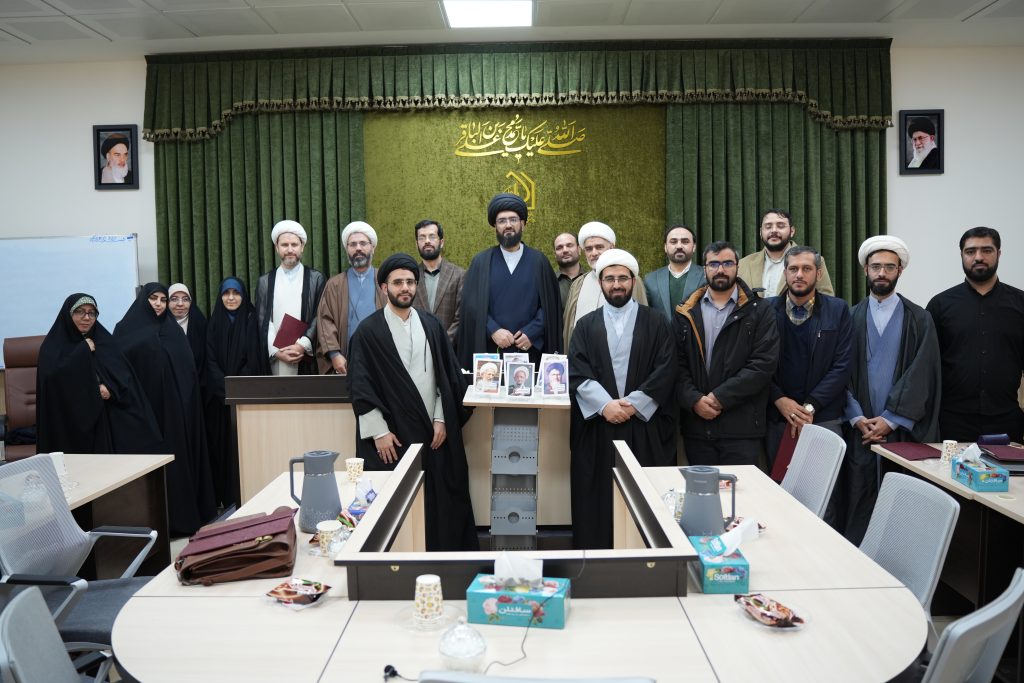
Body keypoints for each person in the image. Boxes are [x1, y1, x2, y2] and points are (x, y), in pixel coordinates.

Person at [348, 253, 479, 551]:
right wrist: (378, 432)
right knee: (394, 504)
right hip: (392, 436)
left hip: (434, 434)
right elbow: (359, 386)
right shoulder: (367, 332)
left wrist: (442, 418)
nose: (405, 288)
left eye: (410, 282)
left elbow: (448, 379)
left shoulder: (432, 325)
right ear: (384, 288)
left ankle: (444, 560)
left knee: (443, 501)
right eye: (398, 282)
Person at [568, 249, 677, 549]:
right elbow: (576, 370)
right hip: (598, 427)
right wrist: (605, 405)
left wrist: (633, 405)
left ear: (633, 281)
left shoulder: (656, 322)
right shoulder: (585, 325)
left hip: (643, 426)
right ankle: (596, 558)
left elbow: (666, 369)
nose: (616, 284)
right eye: (610, 279)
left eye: (622, 278)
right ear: (600, 282)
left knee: (644, 501)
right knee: (597, 500)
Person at [840, 236, 941, 544]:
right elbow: (838, 374)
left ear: (900, 271)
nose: (882, 273)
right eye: (876, 267)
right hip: (859, 431)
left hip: (900, 432)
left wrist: (891, 419)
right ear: (865, 270)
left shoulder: (920, 319)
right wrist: (857, 417)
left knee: (900, 507)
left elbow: (923, 373)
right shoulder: (849, 317)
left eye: (889, 267)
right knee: (857, 503)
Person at [114, 283, 216, 535]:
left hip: (175, 413)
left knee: (177, 464)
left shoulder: (173, 331)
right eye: (154, 298)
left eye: (162, 299)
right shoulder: (125, 330)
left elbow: (188, 373)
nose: (159, 304)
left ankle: (181, 520)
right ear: (143, 300)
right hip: (143, 414)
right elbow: (119, 372)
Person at [675, 241, 780, 466]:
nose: (720, 269)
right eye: (713, 264)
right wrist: (694, 400)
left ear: (737, 267)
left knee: (740, 489)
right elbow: (676, 364)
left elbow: (763, 364)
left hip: (742, 428)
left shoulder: (760, 310)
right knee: (703, 488)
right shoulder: (685, 311)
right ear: (704, 269)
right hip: (697, 426)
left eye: (727, 263)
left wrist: (719, 398)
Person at [765, 247, 853, 503]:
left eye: (807, 269)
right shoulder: (765, 310)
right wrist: (779, 399)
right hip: (777, 419)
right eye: (793, 269)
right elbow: (756, 364)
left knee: (822, 499)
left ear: (819, 273)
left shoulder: (838, 310)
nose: (799, 275)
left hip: (823, 418)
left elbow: (842, 365)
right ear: (785, 273)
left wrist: (809, 407)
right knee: (778, 496)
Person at [927, 227, 1024, 442]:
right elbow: (928, 367)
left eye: (987, 250)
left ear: (999, 253)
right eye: (970, 251)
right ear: (961, 255)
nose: (978, 257)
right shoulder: (940, 305)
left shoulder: (1020, 304)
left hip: (1007, 421)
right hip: (952, 422)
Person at [37, 293, 161, 455]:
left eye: (92, 313)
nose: (86, 317)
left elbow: (124, 375)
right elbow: (52, 380)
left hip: (106, 415)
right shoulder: (52, 346)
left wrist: (111, 388)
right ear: (68, 314)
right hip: (68, 420)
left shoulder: (103, 340)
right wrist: (82, 351)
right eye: (80, 311)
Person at [457, 193, 562, 367]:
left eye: (513, 219)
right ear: (495, 227)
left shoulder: (539, 261)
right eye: (502, 221)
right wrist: (493, 330)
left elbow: (550, 305)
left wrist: (532, 332)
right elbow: (471, 305)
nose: (508, 225)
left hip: (530, 351)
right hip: (491, 355)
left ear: (523, 224)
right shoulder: (481, 262)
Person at [205, 277, 262, 509]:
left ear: (243, 296)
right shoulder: (213, 323)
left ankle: (247, 495)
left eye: (236, 293)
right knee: (221, 450)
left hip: (244, 399)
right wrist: (224, 388)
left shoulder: (251, 320)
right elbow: (209, 360)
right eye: (226, 293)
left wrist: (237, 387)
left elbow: (254, 358)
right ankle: (226, 500)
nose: (231, 298)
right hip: (219, 401)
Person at [255, 220, 327, 376]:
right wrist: (276, 351)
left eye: (294, 244)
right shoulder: (265, 281)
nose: (289, 250)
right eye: (284, 245)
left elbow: (320, 315)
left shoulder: (316, 278)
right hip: (276, 356)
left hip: (305, 354)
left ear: (302, 247)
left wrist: (302, 345)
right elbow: (263, 320)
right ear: (276, 247)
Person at [562, 221, 648, 350]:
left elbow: (643, 324)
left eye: (599, 247)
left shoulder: (631, 281)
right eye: (589, 249)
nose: (594, 253)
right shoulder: (578, 284)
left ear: (612, 248)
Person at [317, 221, 387, 374]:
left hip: (382, 360)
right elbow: (324, 321)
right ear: (347, 249)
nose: (358, 248)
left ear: (373, 247)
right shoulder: (334, 284)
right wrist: (334, 354)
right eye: (353, 244)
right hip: (345, 361)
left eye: (363, 243)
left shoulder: (385, 281)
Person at [737, 209, 835, 297]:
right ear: (760, 232)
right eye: (768, 226)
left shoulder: (815, 260)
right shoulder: (743, 264)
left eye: (780, 226)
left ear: (792, 231)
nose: (774, 230)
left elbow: (827, 299)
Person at [411, 219, 465, 345]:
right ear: (417, 244)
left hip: (449, 349)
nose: (427, 241)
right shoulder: (410, 277)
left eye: (432, 236)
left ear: (441, 242)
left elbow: (461, 317)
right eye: (422, 238)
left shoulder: (459, 275)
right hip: (417, 348)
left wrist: (442, 344)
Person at [644, 224, 706, 319]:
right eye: (673, 242)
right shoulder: (650, 279)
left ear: (694, 247)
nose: (679, 246)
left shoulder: (706, 276)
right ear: (665, 247)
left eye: (685, 241)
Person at [168, 283, 208, 378]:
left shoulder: (201, 325)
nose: (180, 304)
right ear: (167, 302)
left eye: (185, 299)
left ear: (191, 302)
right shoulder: (159, 326)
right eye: (174, 299)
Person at [553, 232, 583, 308]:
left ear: (579, 250)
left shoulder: (592, 281)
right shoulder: (549, 283)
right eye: (559, 247)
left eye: (569, 245)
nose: (565, 250)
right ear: (555, 255)